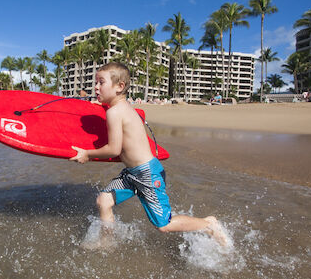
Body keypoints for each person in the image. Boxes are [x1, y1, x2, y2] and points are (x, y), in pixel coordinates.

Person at [70, 62, 228, 247]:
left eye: (101, 82)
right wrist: (102, 103)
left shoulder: (114, 112)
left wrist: (87, 154)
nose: (95, 87)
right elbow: (120, 115)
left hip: (147, 173)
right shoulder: (123, 107)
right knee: (103, 200)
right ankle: (107, 242)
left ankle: (209, 224)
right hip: (132, 173)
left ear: (120, 86)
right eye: (95, 82)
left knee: (163, 225)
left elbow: (114, 149)